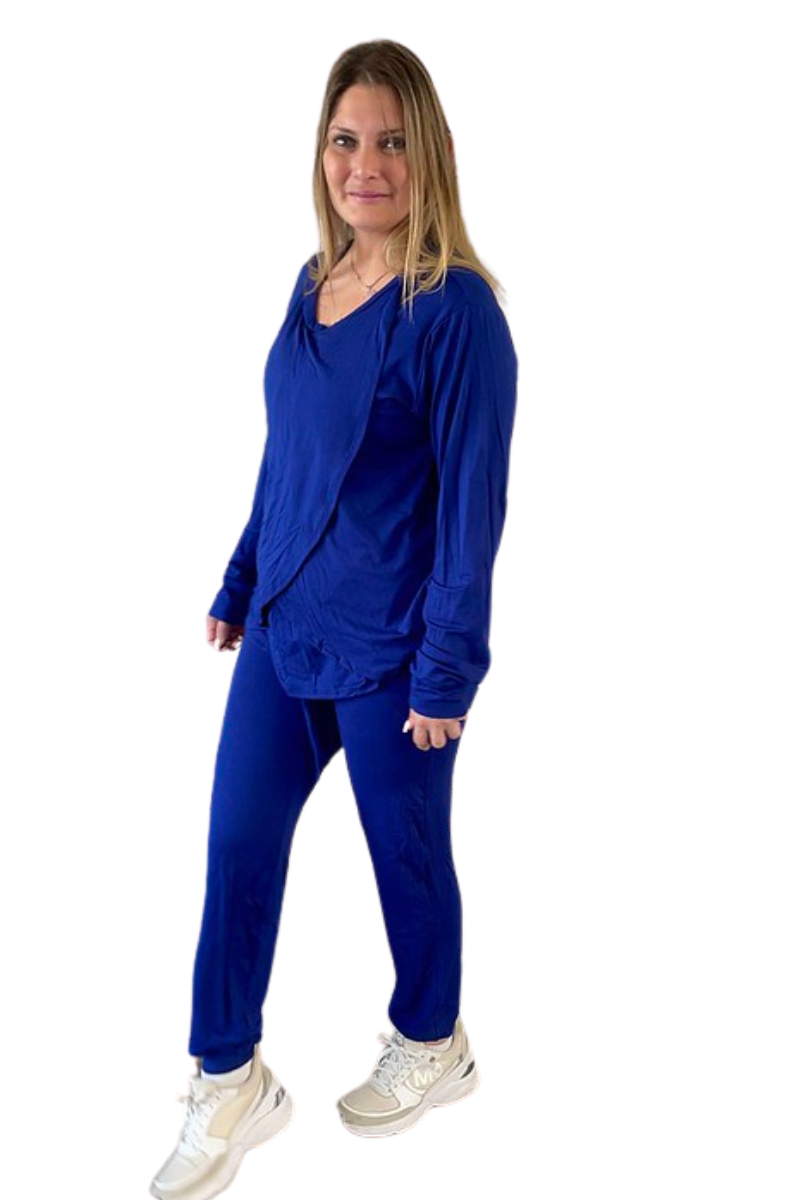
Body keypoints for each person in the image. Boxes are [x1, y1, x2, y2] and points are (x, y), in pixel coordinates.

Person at [150, 37, 518, 1200]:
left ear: (431, 153)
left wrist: (445, 671)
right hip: (284, 624)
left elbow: (472, 510)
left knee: (402, 855)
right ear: (321, 152)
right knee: (235, 846)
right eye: (346, 140)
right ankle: (228, 1076)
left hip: (393, 648)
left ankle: (432, 1038)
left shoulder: (456, 313)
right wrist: (239, 579)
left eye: (392, 142)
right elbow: (289, 458)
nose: (366, 165)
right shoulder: (310, 283)